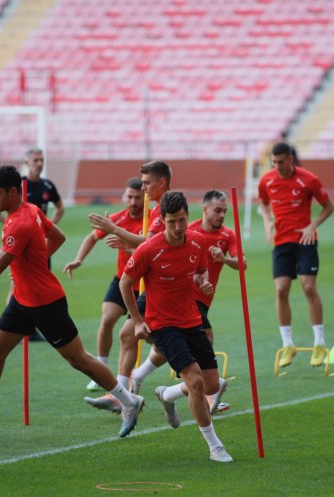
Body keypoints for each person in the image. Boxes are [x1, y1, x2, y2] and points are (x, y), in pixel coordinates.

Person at [0, 165, 143, 438]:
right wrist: (33, 265)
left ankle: (129, 402)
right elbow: (57, 237)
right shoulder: (30, 210)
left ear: (12, 191)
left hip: (45, 304)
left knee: (79, 360)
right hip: (22, 300)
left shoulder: (21, 221)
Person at [120, 190, 232, 462]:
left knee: (210, 385)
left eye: (182, 220)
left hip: (191, 319)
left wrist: (201, 283)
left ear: (188, 216)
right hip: (163, 324)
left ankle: (167, 395)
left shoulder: (197, 241)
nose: (178, 227)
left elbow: (199, 272)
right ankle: (215, 446)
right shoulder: (149, 249)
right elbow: (125, 283)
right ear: (163, 219)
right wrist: (137, 321)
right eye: (172, 222)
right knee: (194, 380)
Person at [129, 189, 247, 413]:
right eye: (217, 210)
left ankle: (156, 383)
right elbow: (151, 244)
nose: (222, 215)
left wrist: (225, 260)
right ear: (204, 210)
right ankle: (128, 388)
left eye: (225, 211)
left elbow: (243, 264)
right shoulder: (184, 229)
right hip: (176, 297)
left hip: (198, 300)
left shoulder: (227, 235)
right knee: (135, 333)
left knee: (175, 344)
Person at [82, 161, 171, 412]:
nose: (142, 189)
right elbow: (151, 245)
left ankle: (209, 382)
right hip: (145, 283)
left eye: (146, 184)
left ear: (161, 183)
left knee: (171, 345)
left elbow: (151, 243)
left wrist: (115, 230)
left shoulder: (164, 207)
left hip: (162, 286)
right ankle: (123, 396)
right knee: (126, 333)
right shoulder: (155, 208)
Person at [63, 177, 144, 391]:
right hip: (122, 280)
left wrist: (130, 249)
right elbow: (92, 237)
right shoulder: (117, 219)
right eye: (130, 196)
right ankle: (101, 370)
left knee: (145, 336)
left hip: (145, 285)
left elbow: (153, 249)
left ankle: (143, 371)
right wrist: (79, 259)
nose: (133, 201)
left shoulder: (151, 221)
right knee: (107, 319)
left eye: (138, 197)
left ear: (145, 197)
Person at [259, 142, 334, 368]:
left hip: (305, 240)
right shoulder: (267, 180)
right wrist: (267, 221)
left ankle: (319, 343)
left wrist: (313, 226)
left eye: (281, 162)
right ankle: (287, 345)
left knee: (309, 288)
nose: (278, 166)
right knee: (281, 290)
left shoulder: (308, 179)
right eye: (274, 162)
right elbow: (263, 203)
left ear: (291, 159)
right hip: (281, 242)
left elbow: (328, 206)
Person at [0, 147, 65, 341]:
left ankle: (25, 325)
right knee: (17, 286)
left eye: (41, 160)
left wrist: (49, 226)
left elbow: (60, 207)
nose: (39, 163)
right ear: (27, 163)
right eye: (35, 160)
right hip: (23, 242)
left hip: (39, 245)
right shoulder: (19, 185)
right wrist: (10, 224)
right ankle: (16, 325)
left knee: (35, 284)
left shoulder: (47, 185)